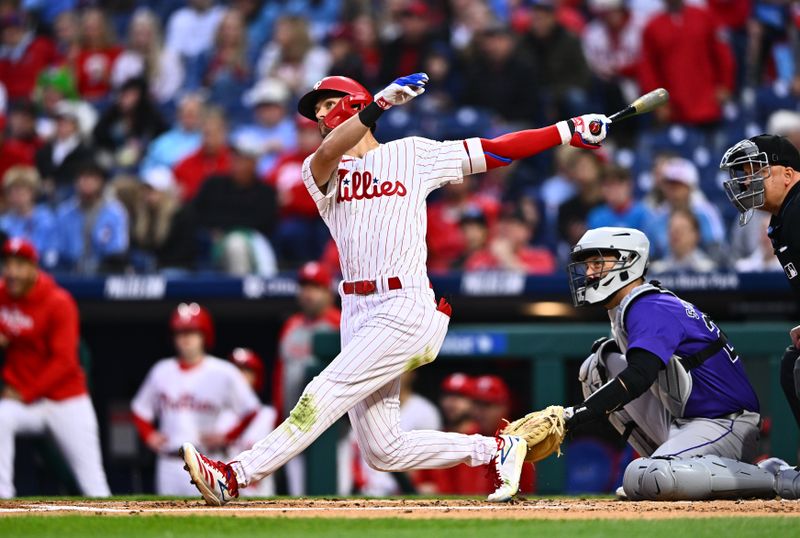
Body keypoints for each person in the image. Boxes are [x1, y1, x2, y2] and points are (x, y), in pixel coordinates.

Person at [180, 72, 610, 505]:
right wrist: (380, 105)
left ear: (351, 105)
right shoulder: (320, 171)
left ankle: (235, 475)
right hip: (357, 310)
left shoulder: (412, 154)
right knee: (383, 450)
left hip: (405, 304)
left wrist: (567, 130)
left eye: (328, 105)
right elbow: (329, 151)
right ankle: (498, 449)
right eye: (317, 111)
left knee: (321, 394)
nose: (320, 116)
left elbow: (495, 150)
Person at [564, 226, 800, 500]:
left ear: (628, 261)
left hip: (725, 423)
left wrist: (574, 415)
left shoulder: (649, 306)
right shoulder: (631, 306)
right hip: (685, 419)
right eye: (588, 265)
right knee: (596, 368)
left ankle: (775, 476)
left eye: (598, 263)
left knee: (647, 477)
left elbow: (640, 375)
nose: (590, 273)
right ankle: (670, 463)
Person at [0, 238, 110, 498]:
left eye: (19, 265)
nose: (12, 272)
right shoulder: (3, 295)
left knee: (93, 483)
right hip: (25, 404)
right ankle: (3, 498)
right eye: (8, 264)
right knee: (2, 417)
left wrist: (25, 392)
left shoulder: (58, 301)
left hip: (65, 399)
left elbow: (64, 362)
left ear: (33, 268)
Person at [131, 303, 261, 496]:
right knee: (166, 520)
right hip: (169, 462)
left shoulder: (223, 371)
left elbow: (250, 409)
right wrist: (149, 435)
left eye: (191, 332)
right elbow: (139, 409)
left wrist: (228, 436)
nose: (185, 339)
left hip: (207, 460)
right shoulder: (161, 370)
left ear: (204, 336)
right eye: (180, 333)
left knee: (211, 520)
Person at [720, 135, 800, 432]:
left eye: (756, 171)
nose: (745, 181)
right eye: (744, 174)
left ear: (789, 174)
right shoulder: (785, 216)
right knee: (792, 366)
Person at [273, 261, 341, 496]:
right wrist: (278, 418)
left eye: (315, 287)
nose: (308, 293)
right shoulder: (291, 326)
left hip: (334, 432)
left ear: (328, 292)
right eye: (304, 286)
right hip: (293, 426)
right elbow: (280, 377)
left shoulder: (340, 323)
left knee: (337, 496)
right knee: (296, 498)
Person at [191, 136, 278, 276]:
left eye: (242, 159)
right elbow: (197, 213)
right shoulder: (214, 184)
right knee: (234, 244)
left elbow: (266, 224)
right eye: (234, 157)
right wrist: (213, 230)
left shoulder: (265, 191)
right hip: (214, 245)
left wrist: (225, 227)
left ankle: (242, 293)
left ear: (253, 163)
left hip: (254, 244)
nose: (235, 163)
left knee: (236, 243)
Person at [217, 348, 277, 497]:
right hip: (221, 490)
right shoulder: (216, 413)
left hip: (258, 492)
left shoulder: (269, 415)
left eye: (246, 371)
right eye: (235, 371)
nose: (239, 376)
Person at [55, 161, 128, 274]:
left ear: (101, 182)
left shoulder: (115, 211)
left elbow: (117, 249)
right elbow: (58, 249)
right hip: (70, 270)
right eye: (83, 177)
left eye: (92, 178)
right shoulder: (64, 212)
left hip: (104, 271)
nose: (87, 182)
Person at [465, 204, 556, 274]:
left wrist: (506, 257)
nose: (507, 228)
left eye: (515, 224)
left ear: (528, 232)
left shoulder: (541, 257)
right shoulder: (479, 258)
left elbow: (538, 283)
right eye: (503, 222)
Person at [0, 166, 57, 268]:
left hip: (41, 268)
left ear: (33, 192)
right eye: (11, 191)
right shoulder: (3, 222)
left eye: (21, 190)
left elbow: (49, 251)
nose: (16, 195)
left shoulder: (47, 219)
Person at [649, 208, 717, 273]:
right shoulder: (657, 271)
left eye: (682, 229)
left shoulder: (708, 270)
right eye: (673, 229)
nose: (676, 234)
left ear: (696, 235)